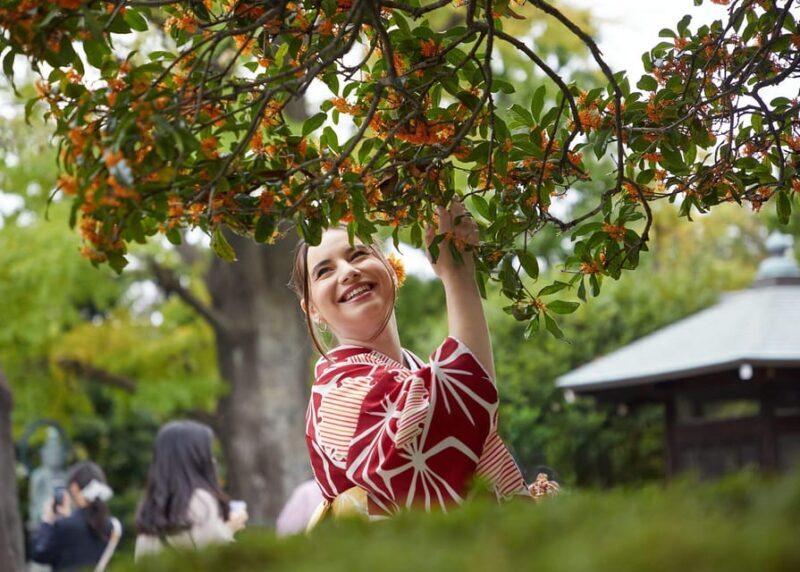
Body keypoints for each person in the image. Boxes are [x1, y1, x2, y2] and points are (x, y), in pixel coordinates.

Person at [291, 200, 537, 520]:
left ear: (392, 270)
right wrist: (457, 275)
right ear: (312, 309)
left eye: (358, 255)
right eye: (325, 271)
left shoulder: (415, 373)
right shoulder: (335, 396)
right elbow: (459, 405)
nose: (348, 272)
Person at [134, 420, 248, 562]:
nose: (213, 460)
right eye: (209, 453)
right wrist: (229, 529)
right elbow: (213, 558)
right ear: (197, 457)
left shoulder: (153, 504)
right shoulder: (201, 499)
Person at [31, 461, 121, 572]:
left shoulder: (64, 526)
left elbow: (39, 554)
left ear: (74, 487)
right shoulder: (115, 527)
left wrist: (47, 521)